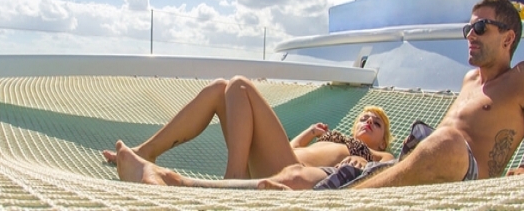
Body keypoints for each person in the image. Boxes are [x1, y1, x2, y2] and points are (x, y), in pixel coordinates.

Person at [115, 0, 524, 189]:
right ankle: (150, 159)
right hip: (416, 168)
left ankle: (199, 186)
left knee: (448, 144)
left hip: (461, 173)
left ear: (508, 37)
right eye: (467, 28)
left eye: (480, 27)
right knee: (228, 91)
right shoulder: (469, 81)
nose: (470, 35)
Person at [105, 74, 394, 184]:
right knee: (220, 88)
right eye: (364, 117)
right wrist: (309, 133)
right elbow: (291, 148)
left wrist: (361, 162)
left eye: (377, 122)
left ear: (383, 141)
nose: (368, 121)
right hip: (279, 162)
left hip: (291, 174)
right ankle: (147, 151)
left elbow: (390, 166)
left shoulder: (376, 154)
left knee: (239, 86)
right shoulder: (336, 139)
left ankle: (232, 181)